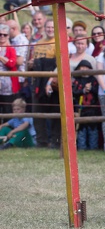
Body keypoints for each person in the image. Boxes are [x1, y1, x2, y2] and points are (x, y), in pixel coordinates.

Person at [29, 19, 60, 148]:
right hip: (37, 81)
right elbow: (31, 61)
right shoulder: (38, 43)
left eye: (52, 27)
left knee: (55, 113)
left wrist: (51, 81)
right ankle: (41, 142)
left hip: (52, 81)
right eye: (48, 27)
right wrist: (30, 64)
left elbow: (59, 64)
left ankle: (56, 141)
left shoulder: (58, 43)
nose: (50, 29)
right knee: (37, 113)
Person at [72, 60, 101, 150]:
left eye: (86, 67)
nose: (84, 69)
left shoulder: (93, 80)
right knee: (81, 130)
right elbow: (73, 92)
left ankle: (93, 148)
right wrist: (83, 91)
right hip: (80, 108)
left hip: (92, 109)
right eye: (82, 67)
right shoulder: (77, 81)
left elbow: (97, 92)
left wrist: (91, 88)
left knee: (93, 130)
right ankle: (82, 147)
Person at [0, 23, 19, 114]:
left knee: (7, 109)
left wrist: (1, 58)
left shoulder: (11, 49)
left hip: (7, 85)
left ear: (8, 36)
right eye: (0, 34)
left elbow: (12, 64)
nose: (2, 36)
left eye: (5, 34)